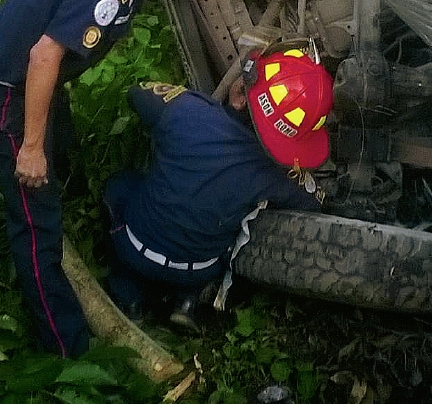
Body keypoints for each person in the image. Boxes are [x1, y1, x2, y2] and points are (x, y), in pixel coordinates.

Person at [0, 0, 294, 358]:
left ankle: (72, 214)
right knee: (35, 223)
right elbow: (45, 54)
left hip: (32, 75)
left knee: (63, 155)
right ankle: (66, 353)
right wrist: (30, 147)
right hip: (14, 88)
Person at [105, 44, 334, 329]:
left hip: (138, 251)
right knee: (229, 232)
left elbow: (136, 94)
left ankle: (130, 300)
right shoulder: (280, 175)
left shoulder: (186, 110)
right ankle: (186, 302)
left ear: (239, 96)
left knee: (119, 186)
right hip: (198, 270)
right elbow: (315, 201)